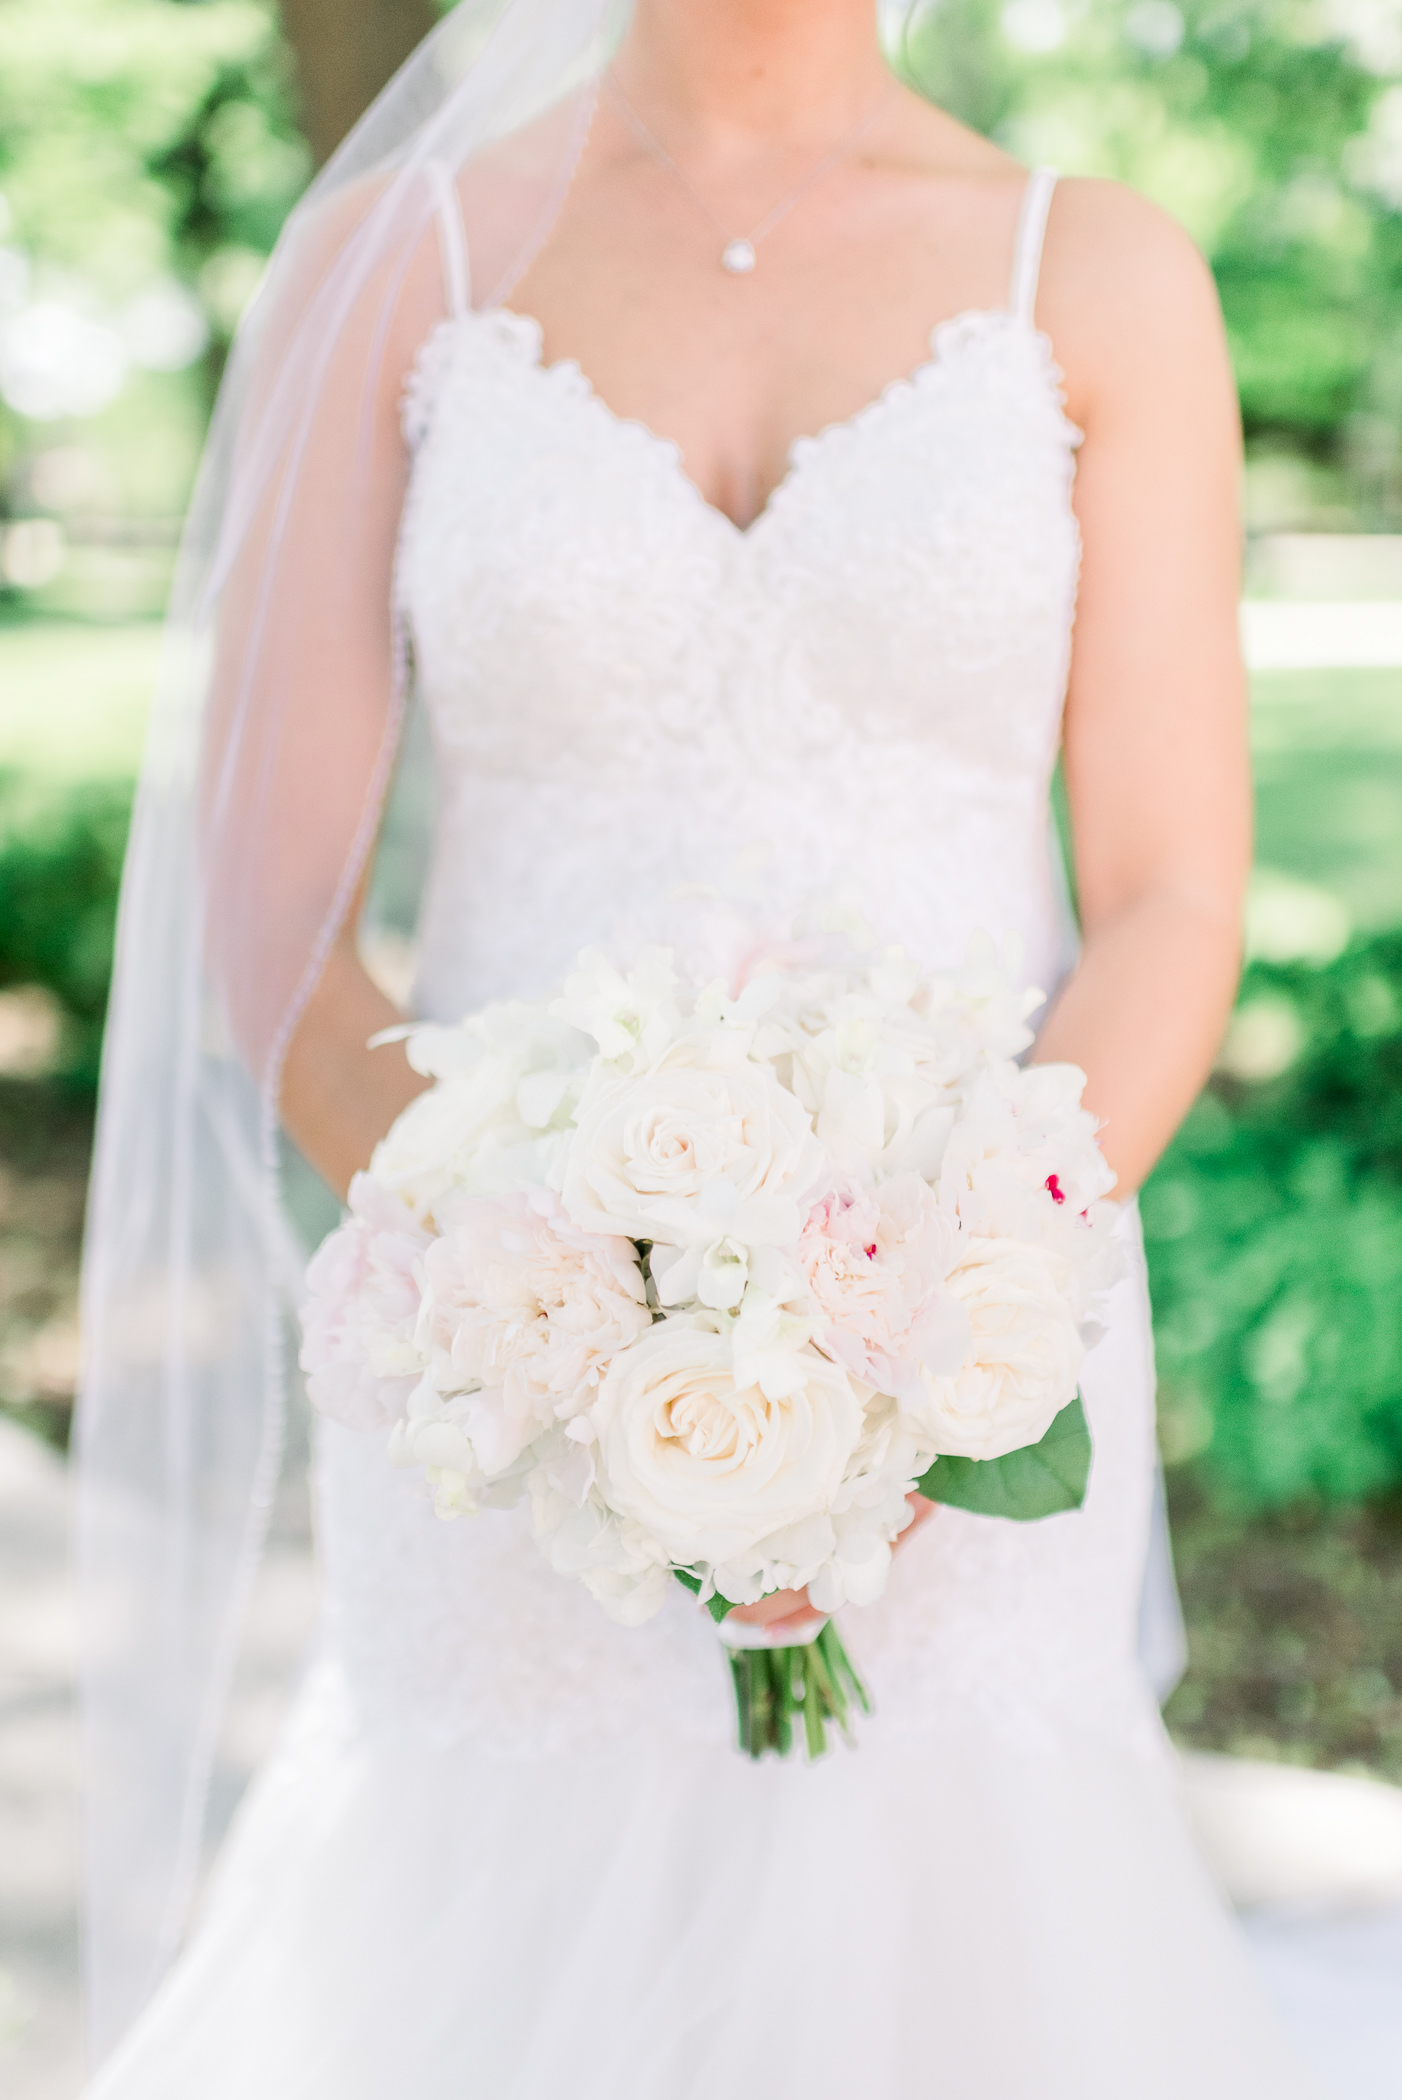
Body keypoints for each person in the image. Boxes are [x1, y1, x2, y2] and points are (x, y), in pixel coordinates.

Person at [77, 0, 1332, 2093]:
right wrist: (532, 1305)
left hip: (972, 1339)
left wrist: (947, 1317)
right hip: (490, 1352)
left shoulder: (1096, 268)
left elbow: (1169, 898)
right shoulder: (398, 250)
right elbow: (270, 915)